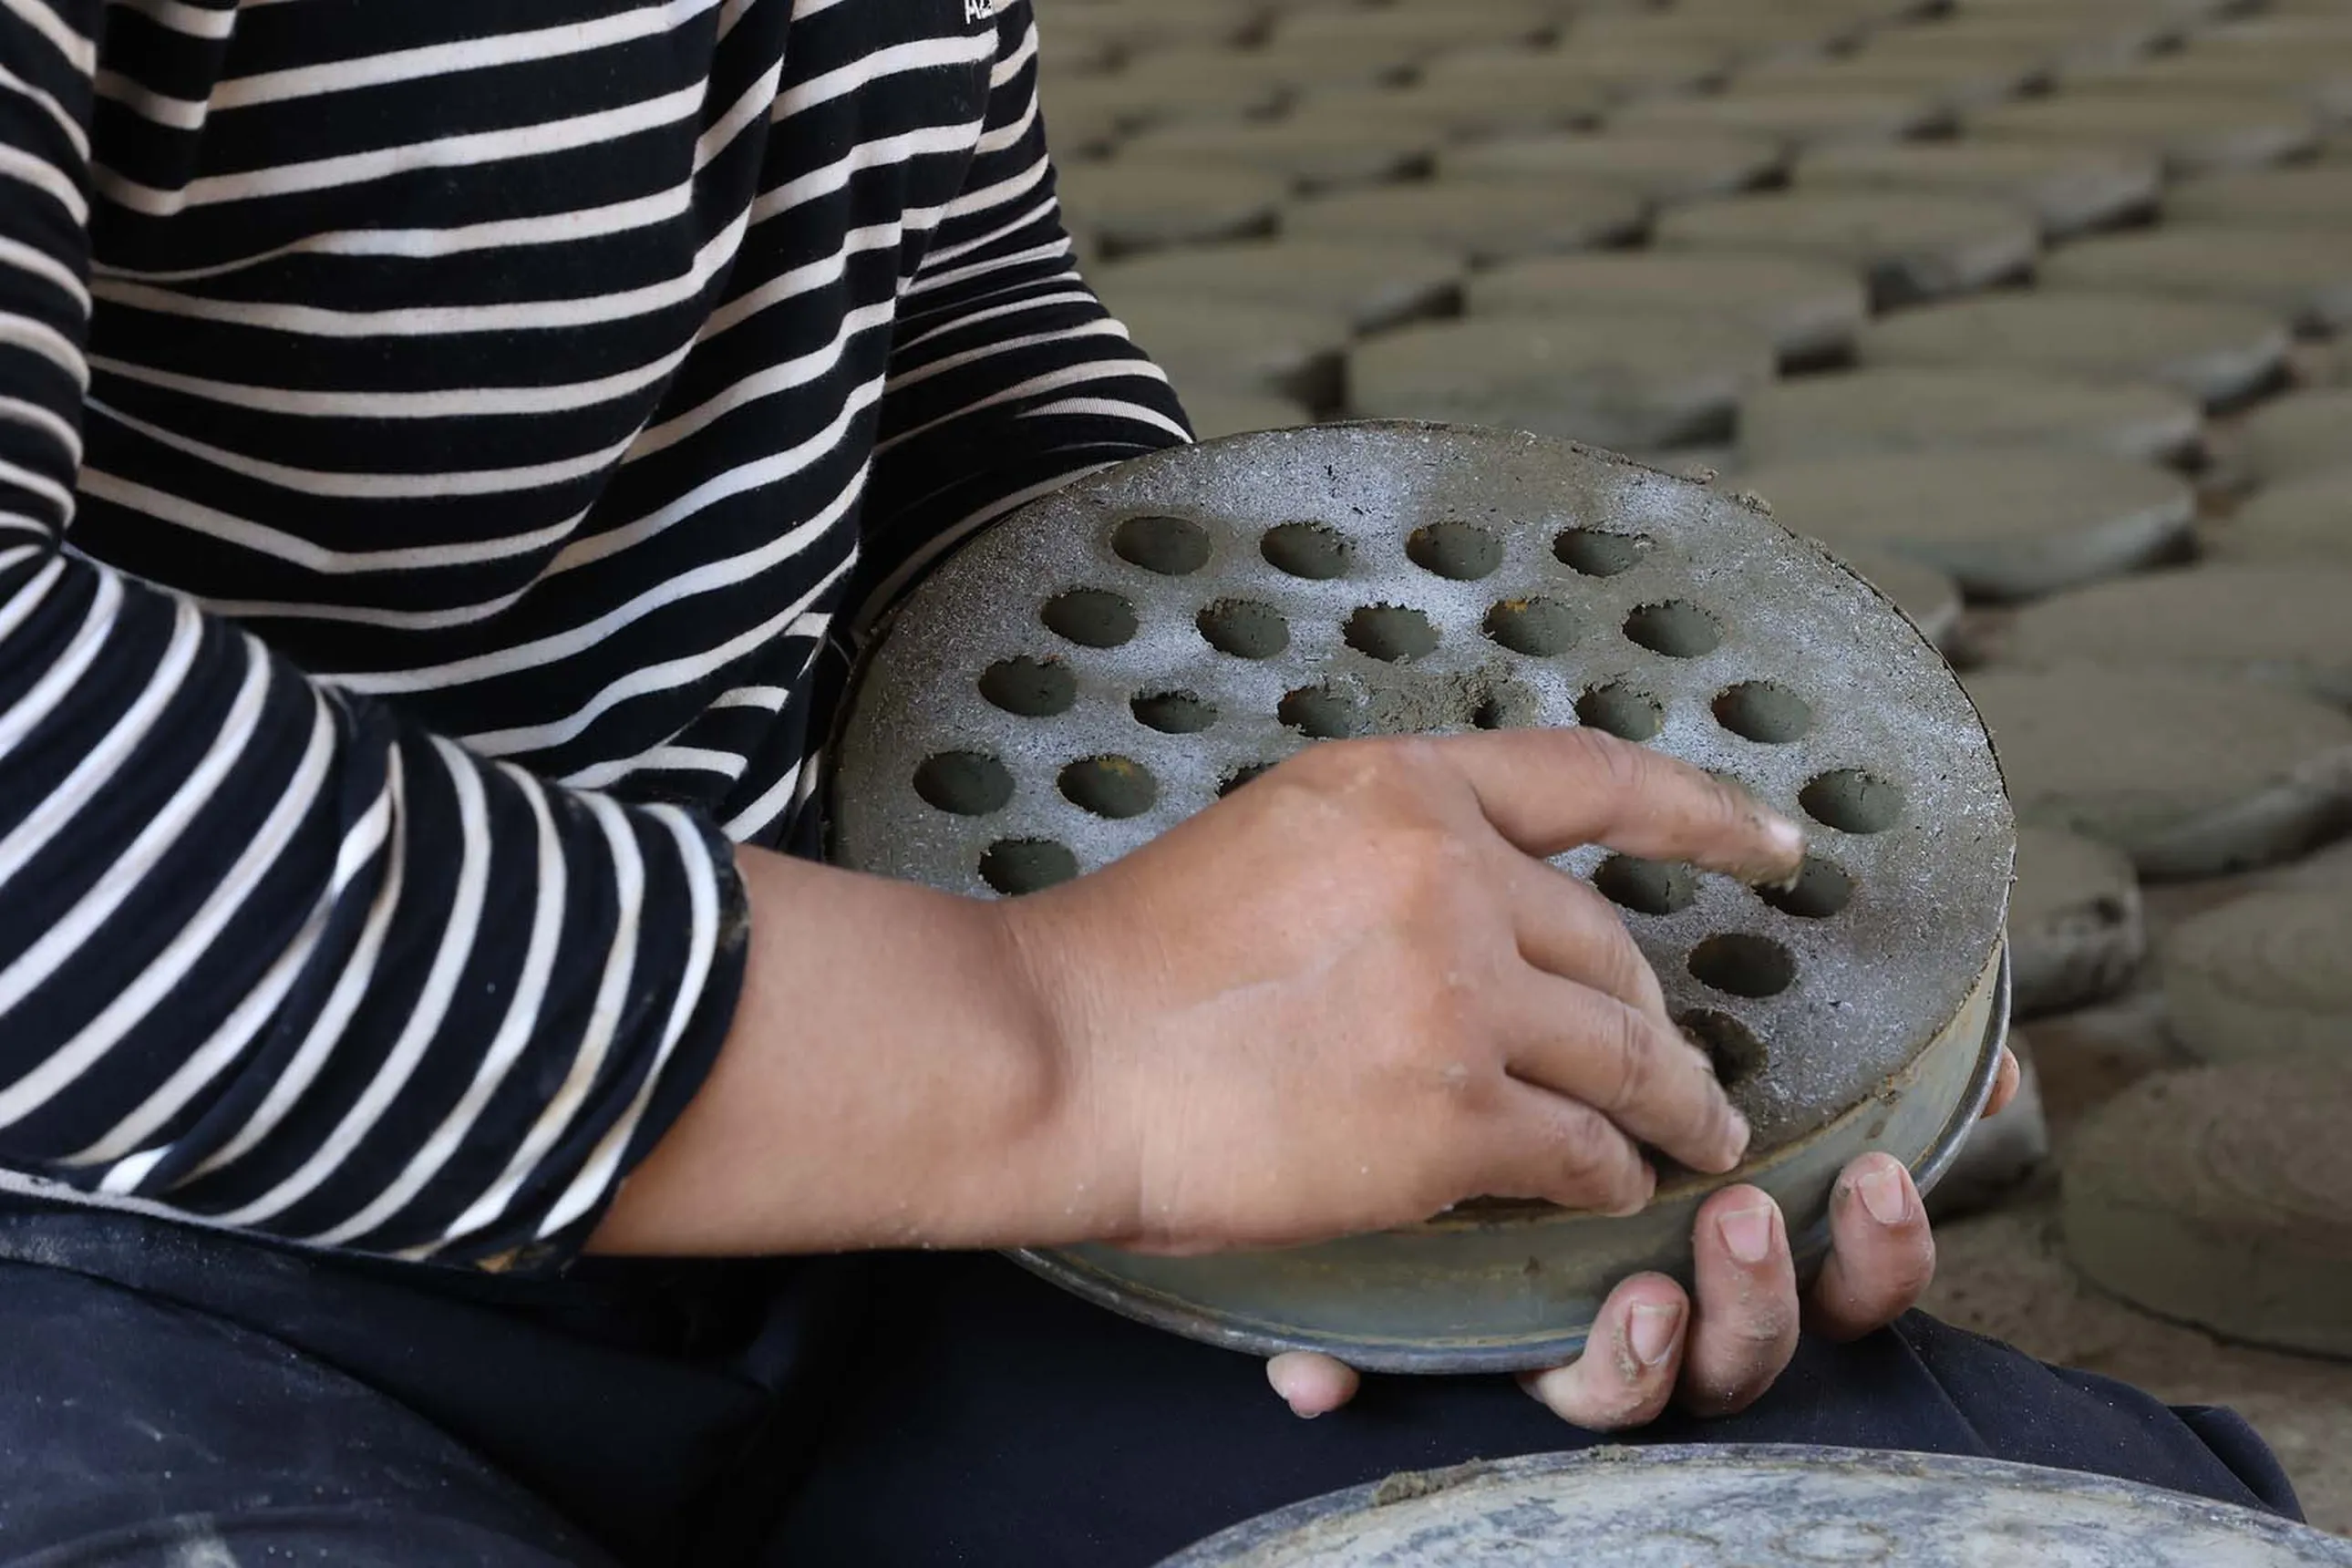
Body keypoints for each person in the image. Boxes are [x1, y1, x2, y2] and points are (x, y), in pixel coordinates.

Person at [0, 1, 2299, 1563]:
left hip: (852, 1155)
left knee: (1994, 1510)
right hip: (127, 1265)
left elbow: (950, 327)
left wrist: (1330, 1072)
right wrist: (1066, 1046)